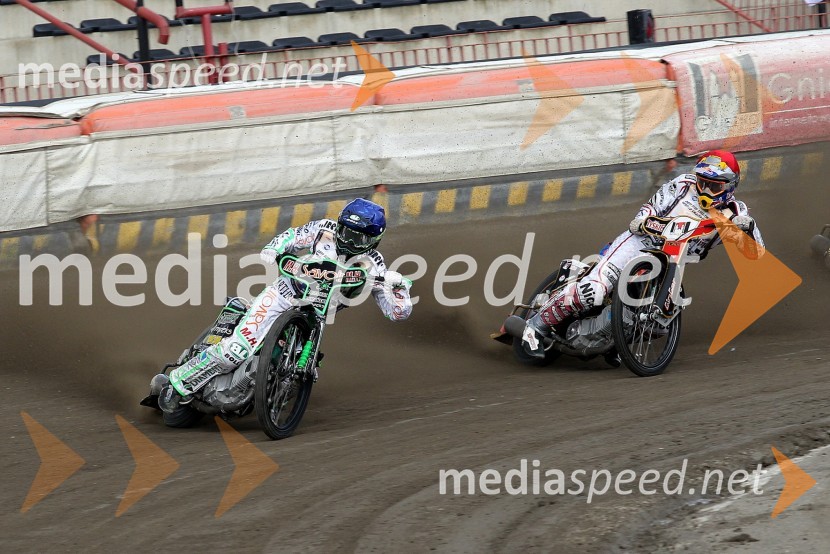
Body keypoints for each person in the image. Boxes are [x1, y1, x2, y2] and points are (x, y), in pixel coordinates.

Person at [522, 150, 764, 358]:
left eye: (714, 186)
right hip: (639, 242)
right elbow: (650, 208)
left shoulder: (735, 213)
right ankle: (534, 327)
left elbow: (755, 256)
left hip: (673, 261)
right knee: (594, 291)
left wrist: (748, 229)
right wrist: (643, 220)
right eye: (702, 182)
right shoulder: (682, 185)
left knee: (656, 324)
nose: (705, 189)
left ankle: (613, 342)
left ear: (730, 186)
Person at [167, 198, 412, 397]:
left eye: (358, 238)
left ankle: (262, 388)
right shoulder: (323, 231)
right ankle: (177, 384)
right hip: (283, 294)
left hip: (316, 316)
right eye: (346, 232)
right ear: (339, 226)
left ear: (374, 240)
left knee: (286, 367)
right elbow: (293, 236)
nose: (348, 241)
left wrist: (399, 287)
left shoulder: (376, 266)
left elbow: (398, 312)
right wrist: (273, 250)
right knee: (235, 351)